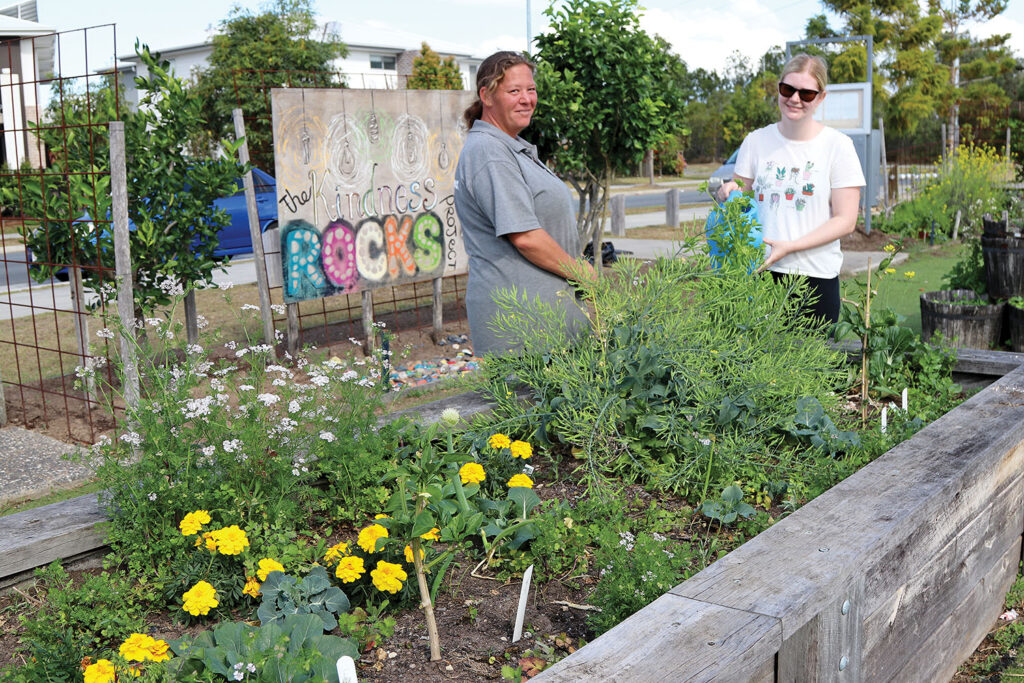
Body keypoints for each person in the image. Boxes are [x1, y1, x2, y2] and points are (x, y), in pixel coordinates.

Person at [454, 51, 594, 355]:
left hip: (547, 330)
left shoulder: (510, 147)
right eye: (514, 91)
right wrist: (582, 273)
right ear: (486, 96)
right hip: (525, 336)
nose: (526, 99)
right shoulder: (489, 152)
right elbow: (526, 237)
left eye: (531, 90)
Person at [717, 53, 865, 325]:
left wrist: (791, 247)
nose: (795, 99)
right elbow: (742, 194)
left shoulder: (838, 146)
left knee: (810, 366)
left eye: (806, 93)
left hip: (814, 280)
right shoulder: (756, 141)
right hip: (757, 273)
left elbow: (846, 221)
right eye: (788, 89)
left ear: (821, 98)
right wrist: (728, 190)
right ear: (778, 89)